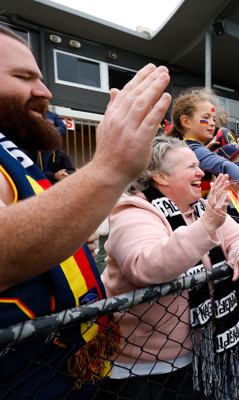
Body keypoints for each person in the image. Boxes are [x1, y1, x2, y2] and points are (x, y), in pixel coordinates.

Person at [0, 26, 172, 398]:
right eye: (23, 77)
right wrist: (110, 166)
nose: (44, 92)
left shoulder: (14, 153)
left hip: (63, 371)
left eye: (41, 79)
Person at [99, 136, 239, 399]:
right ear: (161, 177)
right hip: (140, 369)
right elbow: (145, 266)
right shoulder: (133, 210)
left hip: (198, 356)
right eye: (191, 167)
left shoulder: (200, 208)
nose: (201, 172)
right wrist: (206, 227)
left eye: (199, 165)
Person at [165, 89, 239, 207]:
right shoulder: (191, 149)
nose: (212, 123)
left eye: (213, 118)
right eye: (206, 117)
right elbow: (223, 165)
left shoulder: (189, 148)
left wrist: (206, 150)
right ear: (186, 121)